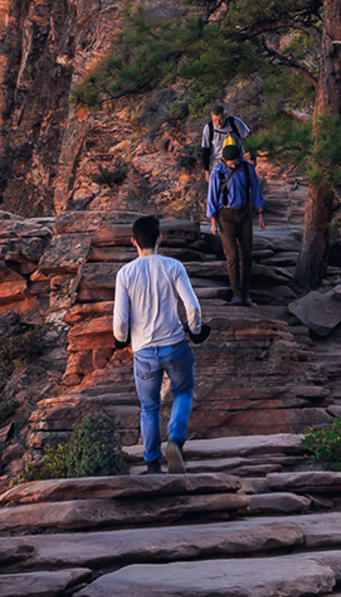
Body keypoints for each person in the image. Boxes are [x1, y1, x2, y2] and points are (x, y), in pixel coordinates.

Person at [113, 216, 210, 474]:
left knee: (149, 407)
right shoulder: (173, 266)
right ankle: (176, 440)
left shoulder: (125, 274)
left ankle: (153, 463)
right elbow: (192, 306)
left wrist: (121, 339)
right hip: (175, 345)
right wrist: (196, 330)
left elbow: (121, 319)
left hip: (144, 351)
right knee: (183, 392)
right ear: (159, 239)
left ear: (133, 241)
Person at [208, 144, 266, 306]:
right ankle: (236, 292)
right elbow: (212, 196)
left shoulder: (247, 169)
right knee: (232, 255)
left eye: (235, 162)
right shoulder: (217, 173)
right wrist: (213, 221)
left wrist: (260, 214)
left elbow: (256, 190)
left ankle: (246, 291)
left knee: (247, 254)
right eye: (230, 163)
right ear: (224, 160)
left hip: (244, 213)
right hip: (225, 215)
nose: (233, 165)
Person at [200, 104, 251, 180]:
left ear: (225, 115)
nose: (218, 123)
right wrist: (206, 171)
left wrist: (252, 157)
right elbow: (205, 150)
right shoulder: (209, 128)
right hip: (219, 162)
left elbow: (249, 138)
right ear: (211, 117)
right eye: (215, 120)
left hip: (237, 160)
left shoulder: (235, 123)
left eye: (221, 119)